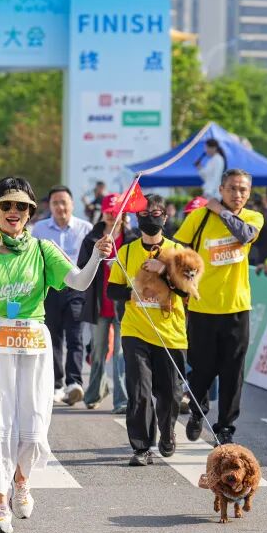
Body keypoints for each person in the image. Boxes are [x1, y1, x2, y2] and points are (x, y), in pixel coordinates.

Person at [0, 176, 113, 533]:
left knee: (34, 425)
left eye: (21, 206)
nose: (14, 211)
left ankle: (22, 480)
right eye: (6, 205)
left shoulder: (43, 250)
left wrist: (96, 257)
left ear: (30, 213)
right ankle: (0, 507)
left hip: (33, 342)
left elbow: (79, 282)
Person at [174, 169, 263, 445]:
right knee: (201, 370)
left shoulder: (253, 217)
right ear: (221, 189)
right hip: (203, 308)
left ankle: (225, 428)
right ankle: (197, 411)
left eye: (243, 189)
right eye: (232, 188)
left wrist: (221, 211)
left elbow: (245, 236)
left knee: (232, 372)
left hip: (237, 308)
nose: (238, 194)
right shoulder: (199, 217)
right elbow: (179, 251)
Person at [107, 194, 189, 464]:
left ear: (165, 217)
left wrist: (164, 270)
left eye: (156, 214)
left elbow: (186, 289)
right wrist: (132, 292)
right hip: (136, 331)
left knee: (171, 393)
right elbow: (112, 290)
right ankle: (142, 448)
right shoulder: (127, 251)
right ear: (136, 218)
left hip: (170, 334)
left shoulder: (178, 251)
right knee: (139, 390)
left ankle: (167, 432)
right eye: (144, 214)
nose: (150, 218)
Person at [31, 186, 92, 405]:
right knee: (53, 337)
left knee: (75, 336)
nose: (60, 207)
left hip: (76, 289)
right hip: (50, 290)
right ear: (49, 205)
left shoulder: (85, 228)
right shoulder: (39, 229)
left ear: (72, 204)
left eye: (64, 202)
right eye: (55, 202)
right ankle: (56, 384)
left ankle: (74, 383)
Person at [78, 195, 135, 412]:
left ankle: (122, 401)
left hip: (124, 304)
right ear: (102, 213)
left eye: (116, 211)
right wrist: (98, 260)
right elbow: (82, 267)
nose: (112, 216)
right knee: (98, 352)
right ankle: (94, 393)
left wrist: (120, 268)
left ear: (123, 214)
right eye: (108, 211)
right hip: (99, 304)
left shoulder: (132, 238)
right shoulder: (91, 238)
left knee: (121, 354)